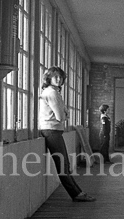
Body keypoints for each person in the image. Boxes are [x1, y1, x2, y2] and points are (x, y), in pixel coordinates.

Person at [38, 66, 96, 202]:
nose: (59, 79)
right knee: (63, 164)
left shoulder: (52, 92)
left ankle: (77, 193)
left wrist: (64, 113)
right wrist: (65, 113)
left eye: (61, 77)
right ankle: (76, 194)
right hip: (51, 130)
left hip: (52, 130)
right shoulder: (52, 93)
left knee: (64, 163)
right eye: (55, 77)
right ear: (49, 78)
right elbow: (61, 117)